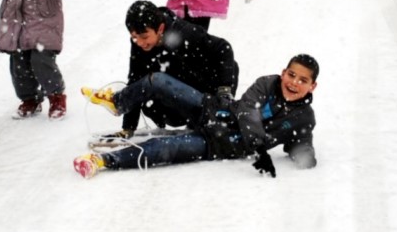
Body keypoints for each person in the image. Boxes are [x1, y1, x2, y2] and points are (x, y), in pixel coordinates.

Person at [75, 54, 319, 178]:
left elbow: (301, 142)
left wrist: (306, 157)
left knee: (161, 148)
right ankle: (118, 102)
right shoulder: (267, 84)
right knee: (158, 81)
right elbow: (247, 110)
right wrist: (258, 147)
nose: (294, 83)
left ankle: (103, 161)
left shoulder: (304, 117)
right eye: (291, 75)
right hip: (211, 110)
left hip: (217, 144)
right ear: (283, 72)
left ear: (312, 86)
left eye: (303, 80)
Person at [83, 0, 239, 138]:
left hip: (206, 96)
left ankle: (116, 101)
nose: (140, 43)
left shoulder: (183, 32)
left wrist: (224, 91)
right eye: (134, 37)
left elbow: (224, 48)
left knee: (155, 80)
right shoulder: (140, 43)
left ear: (160, 28)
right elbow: (135, 79)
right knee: (146, 88)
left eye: (144, 37)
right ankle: (119, 103)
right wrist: (128, 128)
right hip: (177, 105)